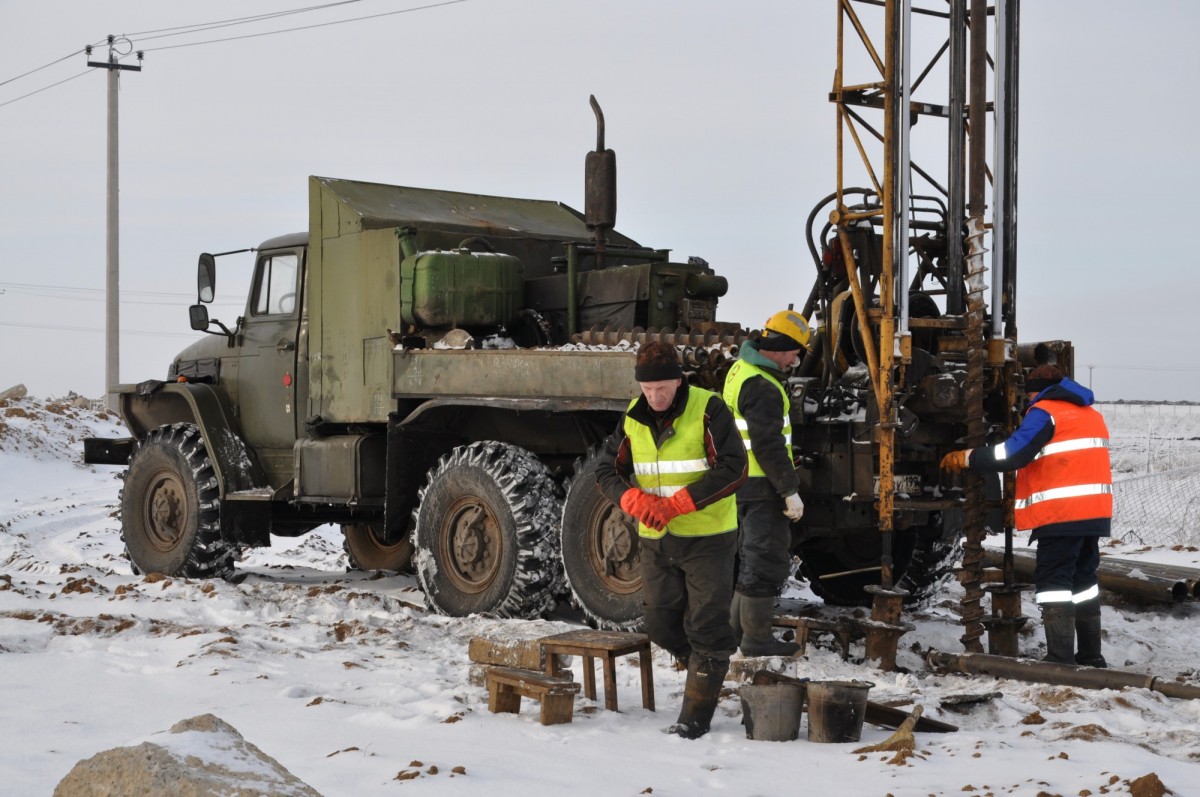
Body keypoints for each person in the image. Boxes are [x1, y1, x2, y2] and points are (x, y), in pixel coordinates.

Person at [595, 341, 748, 738]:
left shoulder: (708, 408)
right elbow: (605, 470)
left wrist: (678, 503)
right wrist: (631, 498)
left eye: (662, 388)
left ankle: (694, 718)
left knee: (707, 627)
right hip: (656, 540)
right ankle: (707, 666)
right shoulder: (633, 417)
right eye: (647, 390)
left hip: (708, 537)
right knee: (660, 625)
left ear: (679, 381)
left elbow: (735, 467)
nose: (655, 396)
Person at [940, 363, 1111, 667]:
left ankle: (1059, 659)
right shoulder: (1090, 414)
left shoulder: (1045, 411)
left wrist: (970, 458)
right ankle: (1090, 656)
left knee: (1055, 584)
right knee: (1084, 583)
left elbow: (1014, 454)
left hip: (1061, 515)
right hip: (1093, 514)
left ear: (1033, 391)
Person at [722, 309, 810, 657]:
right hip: (761, 487)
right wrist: (790, 491)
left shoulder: (741, 370)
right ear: (780, 346)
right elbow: (768, 445)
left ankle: (733, 634)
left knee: (751, 559)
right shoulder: (763, 385)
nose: (796, 358)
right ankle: (756, 640)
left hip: (741, 483)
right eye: (795, 350)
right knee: (766, 560)